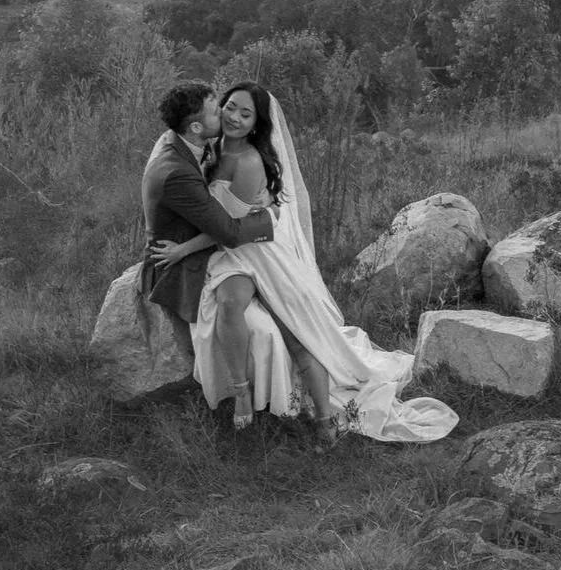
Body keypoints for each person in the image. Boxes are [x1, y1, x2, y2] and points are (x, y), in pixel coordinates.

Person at [147, 82, 459, 446]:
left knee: (296, 330)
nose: (232, 116)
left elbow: (232, 230)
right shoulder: (209, 149)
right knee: (231, 304)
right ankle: (241, 393)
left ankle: (325, 418)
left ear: (256, 124)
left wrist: (183, 250)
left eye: (245, 114)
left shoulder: (247, 162)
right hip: (228, 253)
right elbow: (216, 220)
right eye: (228, 107)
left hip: (256, 249)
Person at [140, 81, 274, 325]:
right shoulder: (182, 167)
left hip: (236, 243)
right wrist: (271, 217)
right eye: (220, 110)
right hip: (204, 248)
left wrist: (271, 207)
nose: (226, 115)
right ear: (195, 126)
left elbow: (230, 223)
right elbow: (228, 231)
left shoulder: (187, 142)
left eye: (245, 114)